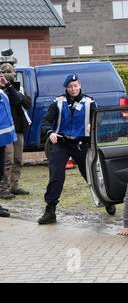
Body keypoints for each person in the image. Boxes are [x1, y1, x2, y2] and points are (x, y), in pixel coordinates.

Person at [37, 74, 97, 224]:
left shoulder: (90, 102)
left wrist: (93, 125)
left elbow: (100, 120)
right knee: (56, 175)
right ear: (66, 88)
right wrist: (50, 133)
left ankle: (105, 200)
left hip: (81, 144)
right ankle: (50, 210)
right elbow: (45, 122)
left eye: (75, 85)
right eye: (70, 87)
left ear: (80, 85)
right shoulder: (58, 101)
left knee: (90, 174)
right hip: (61, 144)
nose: (73, 89)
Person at [0, 63, 32, 199]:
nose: (8, 75)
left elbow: (25, 103)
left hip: (18, 129)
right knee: (7, 160)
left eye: (10, 73)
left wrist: (10, 87)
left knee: (18, 159)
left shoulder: (17, 89)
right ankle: (3, 188)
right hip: (5, 131)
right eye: (4, 73)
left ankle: (14, 185)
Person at [0, 71, 17, 216]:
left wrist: (8, 85)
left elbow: (18, 99)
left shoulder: (3, 94)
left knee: (0, 171)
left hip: (3, 140)